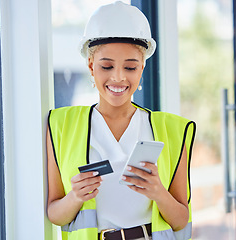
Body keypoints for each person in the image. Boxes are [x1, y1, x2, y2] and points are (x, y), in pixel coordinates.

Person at [47, 2, 196, 240]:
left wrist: (158, 192)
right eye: (107, 66)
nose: (118, 77)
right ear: (90, 66)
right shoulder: (61, 126)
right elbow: (54, 213)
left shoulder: (171, 130)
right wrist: (75, 196)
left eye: (130, 67)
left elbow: (181, 221)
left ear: (142, 68)